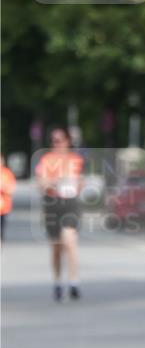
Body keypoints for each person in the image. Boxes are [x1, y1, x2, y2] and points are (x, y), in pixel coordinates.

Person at [35, 128, 84, 300]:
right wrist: (55, 181)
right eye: (54, 140)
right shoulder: (46, 160)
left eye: (61, 140)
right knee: (56, 247)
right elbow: (40, 183)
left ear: (67, 141)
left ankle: (73, 282)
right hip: (52, 202)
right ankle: (57, 282)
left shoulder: (75, 160)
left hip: (70, 203)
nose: (58, 143)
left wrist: (76, 184)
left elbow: (80, 181)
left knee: (69, 240)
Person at [0, 156, 17, 242]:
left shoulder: (7, 173)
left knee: (1, 232)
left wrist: (3, 187)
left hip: (3, 209)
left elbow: (12, 189)